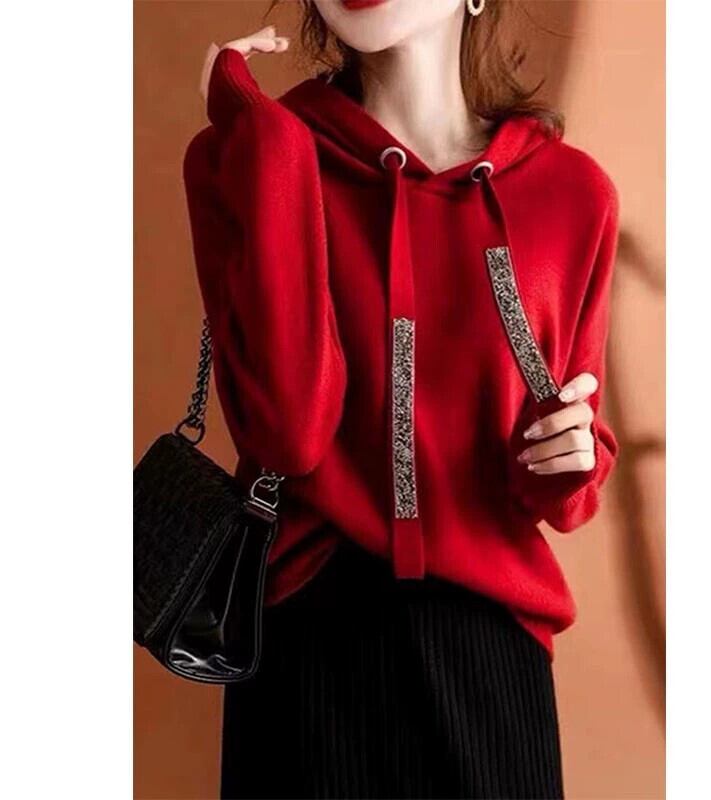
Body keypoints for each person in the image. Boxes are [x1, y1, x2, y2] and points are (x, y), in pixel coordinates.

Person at [183, 1, 620, 797]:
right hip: (307, 645)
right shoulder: (248, 153)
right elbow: (288, 431)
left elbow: (564, 486)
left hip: (490, 654)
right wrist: (265, 136)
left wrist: (570, 455)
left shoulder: (573, 194)